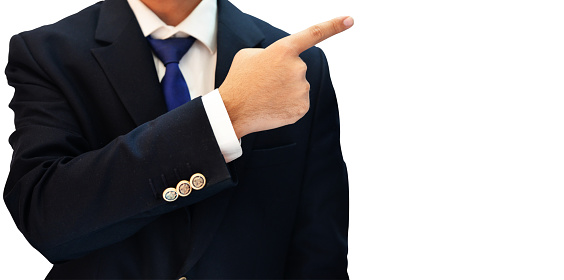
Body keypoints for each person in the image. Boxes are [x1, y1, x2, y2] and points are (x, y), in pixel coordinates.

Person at [3, 0, 352, 278]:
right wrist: (224, 116)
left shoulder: (297, 66)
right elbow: (46, 221)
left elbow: (320, 251)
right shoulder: (46, 52)